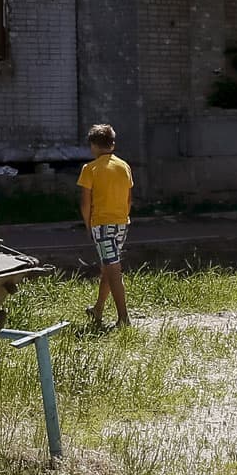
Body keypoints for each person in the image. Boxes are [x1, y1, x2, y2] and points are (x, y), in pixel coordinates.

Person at [77, 124, 134, 330]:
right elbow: (129, 199)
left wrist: (88, 224)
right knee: (108, 268)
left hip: (101, 225)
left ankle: (124, 319)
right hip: (121, 223)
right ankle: (98, 310)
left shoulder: (90, 169)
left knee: (113, 270)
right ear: (112, 143)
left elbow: (85, 202)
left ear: (93, 145)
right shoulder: (124, 166)